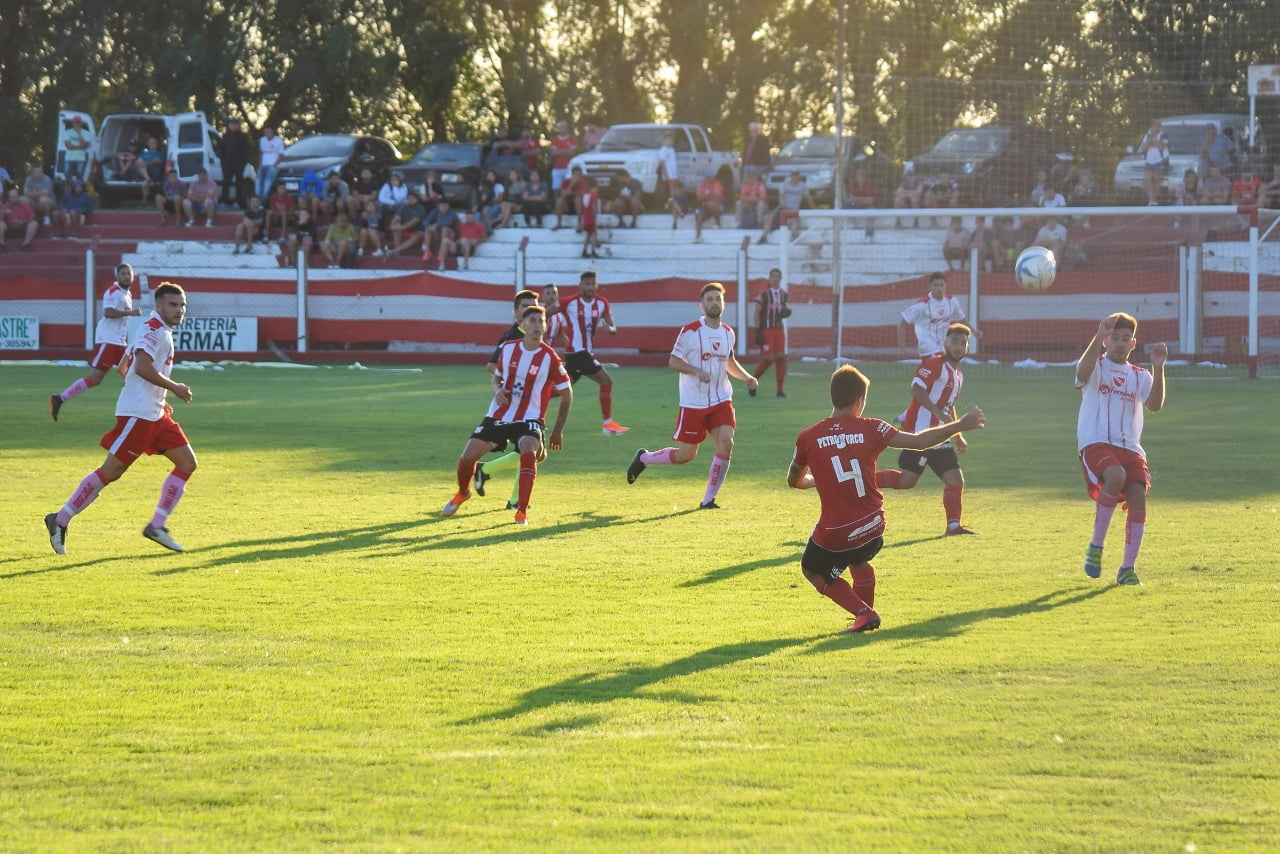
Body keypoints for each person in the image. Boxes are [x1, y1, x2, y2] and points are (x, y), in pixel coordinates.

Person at [788, 364, 986, 632]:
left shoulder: (808, 437)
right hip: (874, 526)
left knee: (812, 569)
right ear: (860, 401)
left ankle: (863, 612)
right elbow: (920, 441)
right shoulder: (874, 428)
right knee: (858, 560)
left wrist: (810, 482)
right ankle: (863, 616)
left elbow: (794, 480)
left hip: (837, 532)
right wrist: (960, 424)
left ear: (833, 396)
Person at [44, 282, 197, 555]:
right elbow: (139, 366)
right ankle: (60, 519)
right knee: (111, 472)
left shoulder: (156, 329)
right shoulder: (153, 329)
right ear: (159, 305)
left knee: (187, 463)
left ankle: (157, 526)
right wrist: (173, 387)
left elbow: (124, 366)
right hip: (139, 415)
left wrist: (152, 395)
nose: (179, 310)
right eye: (173, 305)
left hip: (155, 414)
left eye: (182, 305)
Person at [626, 282, 758, 508]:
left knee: (726, 442)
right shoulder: (690, 331)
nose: (714, 303)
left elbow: (729, 362)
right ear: (702, 305)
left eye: (718, 299)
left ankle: (708, 500)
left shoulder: (728, 333)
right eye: (710, 299)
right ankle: (645, 458)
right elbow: (673, 361)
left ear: (723, 303)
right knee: (686, 455)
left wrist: (747, 378)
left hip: (721, 399)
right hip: (693, 402)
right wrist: (696, 371)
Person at [442, 305, 573, 526]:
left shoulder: (551, 358)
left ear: (546, 326)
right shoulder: (509, 348)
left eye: (541, 321)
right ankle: (463, 492)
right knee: (467, 457)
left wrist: (558, 431)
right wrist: (498, 391)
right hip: (500, 414)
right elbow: (497, 378)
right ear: (522, 325)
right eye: (532, 321)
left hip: (530, 418)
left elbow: (567, 393)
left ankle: (521, 511)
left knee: (529, 450)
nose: (537, 325)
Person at [1075, 313, 1167, 586]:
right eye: (1114, 337)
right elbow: (1081, 373)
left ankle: (1127, 567)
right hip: (1096, 440)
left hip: (1130, 447)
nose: (1119, 343)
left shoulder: (1140, 375)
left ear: (1133, 343)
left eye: (1125, 339)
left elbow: (1154, 405)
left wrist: (1159, 368)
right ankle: (1096, 546)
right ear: (1106, 340)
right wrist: (1097, 334)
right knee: (1115, 477)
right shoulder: (1097, 365)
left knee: (1138, 494)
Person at [875, 322, 979, 536]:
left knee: (955, 479)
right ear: (945, 344)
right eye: (954, 342)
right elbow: (916, 388)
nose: (958, 346)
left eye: (963, 343)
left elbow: (950, 407)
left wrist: (958, 436)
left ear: (967, 347)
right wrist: (936, 411)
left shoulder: (958, 375)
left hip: (941, 436)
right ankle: (862, 481)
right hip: (920, 434)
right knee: (907, 481)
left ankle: (953, 526)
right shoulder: (934, 363)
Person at [50, 262, 143, 420]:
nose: (127, 276)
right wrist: (132, 313)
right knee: (95, 378)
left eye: (129, 273)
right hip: (108, 340)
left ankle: (140, 409)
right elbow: (108, 312)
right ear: (117, 276)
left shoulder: (126, 294)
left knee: (132, 372)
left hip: (120, 342)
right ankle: (59, 398)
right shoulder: (113, 292)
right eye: (123, 273)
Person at [560, 270, 627, 433]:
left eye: (593, 284)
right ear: (580, 285)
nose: (590, 287)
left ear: (596, 285)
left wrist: (609, 329)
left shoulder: (602, 303)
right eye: (587, 283)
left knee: (559, 390)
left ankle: (530, 408)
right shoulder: (569, 302)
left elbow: (613, 328)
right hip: (578, 353)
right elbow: (547, 314)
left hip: (581, 354)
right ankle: (608, 425)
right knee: (606, 381)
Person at [897, 272, 967, 358]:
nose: (939, 288)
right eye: (936, 285)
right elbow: (902, 322)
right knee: (942, 365)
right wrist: (902, 349)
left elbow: (962, 318)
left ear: (946, 286)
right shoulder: (923, 304)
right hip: (928, 347)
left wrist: (974, 331)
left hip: (943, 345)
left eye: (941, 285)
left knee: (943, 368)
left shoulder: (951, 301)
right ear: (930, 287)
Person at [749, 267, 792, 398]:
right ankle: (752, 381)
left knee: (781, 358)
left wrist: (785, 313)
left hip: (779, 329)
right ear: (769, 278)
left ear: (780, 278)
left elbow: (782, 310)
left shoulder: (784, 294)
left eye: (777, 276)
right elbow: (756, 313)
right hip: (766, 330)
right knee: (768, 359)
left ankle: (779, 391)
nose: (775, 278)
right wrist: (757, 331)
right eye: (773, 276)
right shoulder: (763, 295)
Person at [759, 171, 810, 244]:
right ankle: (764, 237)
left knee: (794, 220)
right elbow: (780, 195)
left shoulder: (803, 186)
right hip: (784, 207)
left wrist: (814, 207)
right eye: (793, 175)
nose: (795, 177)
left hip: (794, 208)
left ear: (799, 176)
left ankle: (794, 235)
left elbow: (808, 197)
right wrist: (781, 201)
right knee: (769, 217)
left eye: (796, 175)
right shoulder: (784, 184)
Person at [216, 118, 251, 208]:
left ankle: (238, 202)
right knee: (226, 183)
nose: (233, 126)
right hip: (227, 165)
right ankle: (225, 202)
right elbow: (221, 150)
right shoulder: (225, 136)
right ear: (229, 125)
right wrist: (223, 162)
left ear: (238, 126)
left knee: (239, 184)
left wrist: (243, 163)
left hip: (239, 165)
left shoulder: (243, 136)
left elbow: (246, 151)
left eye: (235, 124)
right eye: (231, 124)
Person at [1139, 118, 1168, 205]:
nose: (1157, 128)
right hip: (1149, 160)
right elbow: (1143, 148)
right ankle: (1151, 200)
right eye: (1155, 126)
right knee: (1147, 179)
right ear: (1151, 126)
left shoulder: (1164, 135)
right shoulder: (1147, 136)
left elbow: (1161, 146)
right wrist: (1150, 140)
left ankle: (1153, 200)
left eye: (1158, 126)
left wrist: (1153, 140)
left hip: (1160, 160)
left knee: (1156, 180)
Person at [387, 191, 427, 256]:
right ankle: (398, 251)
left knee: (417, 236)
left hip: (417, 231)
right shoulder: (404, 207)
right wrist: (393, 225)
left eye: (412, 198)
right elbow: (396, 219)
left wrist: (396, 227)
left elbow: (412, 223)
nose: (410, 200)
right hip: (405, 231)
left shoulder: (420, 208)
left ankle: (395, 250)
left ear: (416, 199)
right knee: (397, 225)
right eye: (408, 198)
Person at [548, 119, 579, 201]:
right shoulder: (554, 139)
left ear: (567, 128)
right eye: (560, 127)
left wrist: (559, 151)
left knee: (570, 188)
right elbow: (553, 153)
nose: (561, 128)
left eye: (563, 127)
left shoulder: (572, 139)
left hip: (569, 168)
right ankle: (557, 208)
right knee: (556, 188)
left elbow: (572, 152)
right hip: (557, 168)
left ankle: (570, 208)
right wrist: (566, 151)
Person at [0, 186, 38, 252]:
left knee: (34, 223)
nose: (13, 198)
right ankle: (1, 245)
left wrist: (23, 222)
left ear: (18, 197)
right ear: (9, 198)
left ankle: (26, 245)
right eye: (11, 197)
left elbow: (33, 217)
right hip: (9, 230)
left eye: (15, 196)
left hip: (23, 229)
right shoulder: (5, 206)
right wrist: (3, 213)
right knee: (1, 224)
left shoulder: (25, 204)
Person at [553, 165, 588, 230]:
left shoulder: (583, 182)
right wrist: (572, 184)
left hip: (579, 205)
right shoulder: (566, 181)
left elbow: (583, 195)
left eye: (578, 175)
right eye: (575, 174)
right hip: (567, 206)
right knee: (559, 200)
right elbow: (563, 195)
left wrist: (572, 193)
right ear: (572, 175)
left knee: (577, 199)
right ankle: (558, 223)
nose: (576, 176)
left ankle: (579, 224)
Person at [256, 126, 285, 199]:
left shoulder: (278, 141)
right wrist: (260, 165)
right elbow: (261, 153)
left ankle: (263, 200)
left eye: (269, 131)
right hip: (263, 165)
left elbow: (281, 156)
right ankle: (257, 199)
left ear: (272, 132)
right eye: (266, 132)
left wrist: (274, 165)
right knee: (258, 182)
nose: (267, 133)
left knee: (267, 183)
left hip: (273, 166)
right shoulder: (262, 140)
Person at [693, 171, 724, 242]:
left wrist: (705, 197)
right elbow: (699, 198)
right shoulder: (701, 185)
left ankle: (718, 223)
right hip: (704, 207)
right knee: (699, 215)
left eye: (711, 177)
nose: (710, 179)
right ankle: (698, 237)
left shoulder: (717, 184)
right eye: (708, 177)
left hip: (717, 206)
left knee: (711, 204)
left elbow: (716, 198)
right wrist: (709, 196)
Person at [63, 115, 93, 182]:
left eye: (78, 122)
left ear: (81, 123)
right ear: (73, 123)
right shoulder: (67, 132)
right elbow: (69, 146)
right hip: (69, 158)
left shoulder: (86, 133)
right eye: (75, 122)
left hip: (81, 158)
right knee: (67, 175)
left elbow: (85, 146)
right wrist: (80, 146)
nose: (77, 124)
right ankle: (68, 192)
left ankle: (78, 191)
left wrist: (79, 134)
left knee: (79, 176)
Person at [138, 137, 167, 203]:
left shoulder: (161, 153)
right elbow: (137, 163)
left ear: (157, 144)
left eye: (154, 142)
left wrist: (144, 164)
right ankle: (148, 179)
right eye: (150, 142)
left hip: (155, 175)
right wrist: (143, 164)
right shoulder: (143, 153)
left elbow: (158, 161)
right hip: (143, 174)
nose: (152, 144)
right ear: (147, 144)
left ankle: (144, 201)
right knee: (139, 162)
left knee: (145, 184)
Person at [579, 178, 602, 259]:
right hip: (591, 217)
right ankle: (593, 251)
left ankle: (584, 251)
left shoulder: (586, 195)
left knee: (588, 235)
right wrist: (595, 216)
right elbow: (593, 206)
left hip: (585, 218)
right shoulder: (594, 194)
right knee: (594, 234)